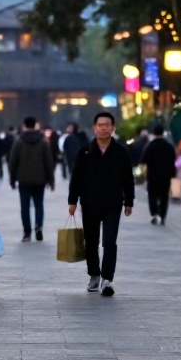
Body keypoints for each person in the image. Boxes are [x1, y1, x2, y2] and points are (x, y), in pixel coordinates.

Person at [67, 110, 134, 296]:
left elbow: (128, 179)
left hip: (113, 203)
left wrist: (129, 201)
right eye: (100, 125)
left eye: (107, 125)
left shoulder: (120, 152)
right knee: (91, 242)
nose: (104, 128)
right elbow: (77, 177)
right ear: (94, 128)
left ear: (113, 128)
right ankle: (94, 275)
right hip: (89, 203)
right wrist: (72, 200)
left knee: (110, 242)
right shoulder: (85, 151)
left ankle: (107, 279)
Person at [9, 116, 56, 241]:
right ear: (35, 125)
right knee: (39, 205)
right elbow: (48, 162)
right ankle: (38, 226)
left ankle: (27, 233)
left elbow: (13, 161)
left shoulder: (19, 141)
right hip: (39, 179)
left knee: (24, 206)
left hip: (23, 179)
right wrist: (50, 180)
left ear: (24, 125)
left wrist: (12, 179)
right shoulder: (43, 142)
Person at [141, 124, 177, 225]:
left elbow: (143, 161)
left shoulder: (150, 146)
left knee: (152, 196)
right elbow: (174, 161)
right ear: (163, 133)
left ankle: (154, 213)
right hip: (166, 176)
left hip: (152, 176)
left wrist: (145, 176)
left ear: (154, 133)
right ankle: (163, 216)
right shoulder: (169, 147)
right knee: (164, 197)